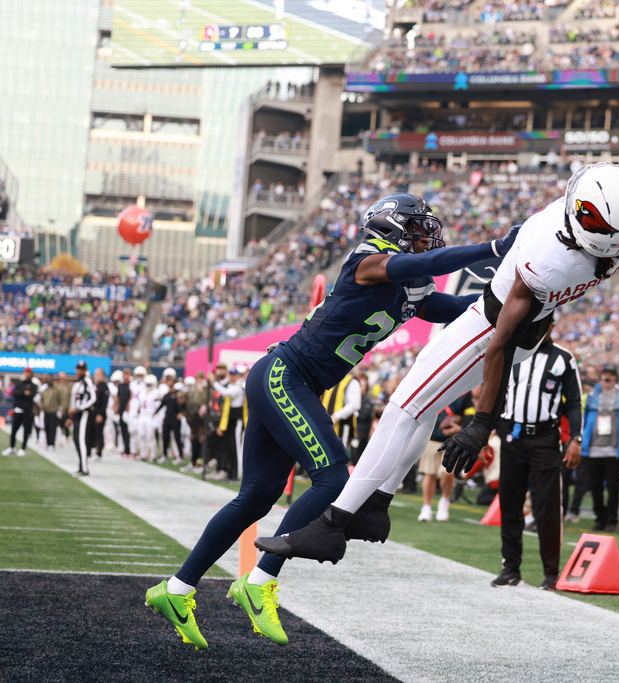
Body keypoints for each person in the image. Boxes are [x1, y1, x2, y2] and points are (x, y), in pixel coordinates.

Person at [259, 52, 619, 565]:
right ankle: (377, 505)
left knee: (404, 406)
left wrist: (482, 421)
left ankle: (333, 525)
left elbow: (500, 341)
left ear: (584, 226)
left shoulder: (552, 261)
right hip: (521, 321)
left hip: (489, 325)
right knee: (421, 405)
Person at [144, 192, 519, 650]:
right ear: (392, 227)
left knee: (257, 496)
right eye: (418, 227)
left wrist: (512, 307)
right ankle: (258, 581)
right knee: (333, 479)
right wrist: (494, 249)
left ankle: (176, 590)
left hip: (292, 381)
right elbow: (422, 266)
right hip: (286, 375)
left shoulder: (413, 282)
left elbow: (453, 309)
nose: (427, 236)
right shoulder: (369, 258)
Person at [491, 320, 583, 589]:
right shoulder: (512, 351)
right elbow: (494, 392)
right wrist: (488, 432)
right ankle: (510, 568)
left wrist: (575, 439)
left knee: (547, 506)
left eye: (544, 323)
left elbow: (575, 402)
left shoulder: (564, 358)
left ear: (552, 325)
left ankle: (551, 572)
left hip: (545, 439)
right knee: (510, 504)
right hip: (512, 436)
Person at [576, 364, 619, 533]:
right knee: (594, 486)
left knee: (613, 487)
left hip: (614, 448)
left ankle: (612, 519)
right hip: (594, 448)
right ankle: (599, 517)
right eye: (604, 377)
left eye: (610, 377)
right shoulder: (591, 396)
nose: (606, 380)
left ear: (616, 379)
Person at [417, 391, 475, 522]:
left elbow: (470, 413)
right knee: (429, 473)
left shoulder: (465, 392)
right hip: (432, 436)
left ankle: (444, 500)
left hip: (453, 440)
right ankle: (426, 507)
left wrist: (460, 428)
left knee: (447, 473)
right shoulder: (435, 387)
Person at [67, 361, 97, 477]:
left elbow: (93, 399)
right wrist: (71, 415)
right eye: (78, 369)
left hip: (84, 414)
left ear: (85, 370)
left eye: (81, 369)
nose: (79, 371)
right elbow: (73, 401)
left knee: (81, 440)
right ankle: (81, 467)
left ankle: (84, 469)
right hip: (77, 415)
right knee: (76, 440)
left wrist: (79, 408)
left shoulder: (87, 382)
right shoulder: (77, 383)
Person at [3, 368, 37, 456]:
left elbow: (31, 396)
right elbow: (15, 394)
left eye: (29, 372)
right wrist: (24, 393)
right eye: (26, 372)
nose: (27, 374)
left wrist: (21, 393)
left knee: (26, 430)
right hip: (18, 410)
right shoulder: (19, 384)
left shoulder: (33, 385)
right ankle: (12, 447)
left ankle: (23, 448)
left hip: (27, 411)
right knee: (14, 430)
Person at [88, 368, 110, 459]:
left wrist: (100, 414)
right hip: (93, 413)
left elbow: (104, 402)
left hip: (99, 414)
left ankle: (99, 452)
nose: (96, 375)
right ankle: (90, 450)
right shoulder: (94, 386)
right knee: (91, 432)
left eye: (98, 374)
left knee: (99, 433)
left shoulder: (104, 387)